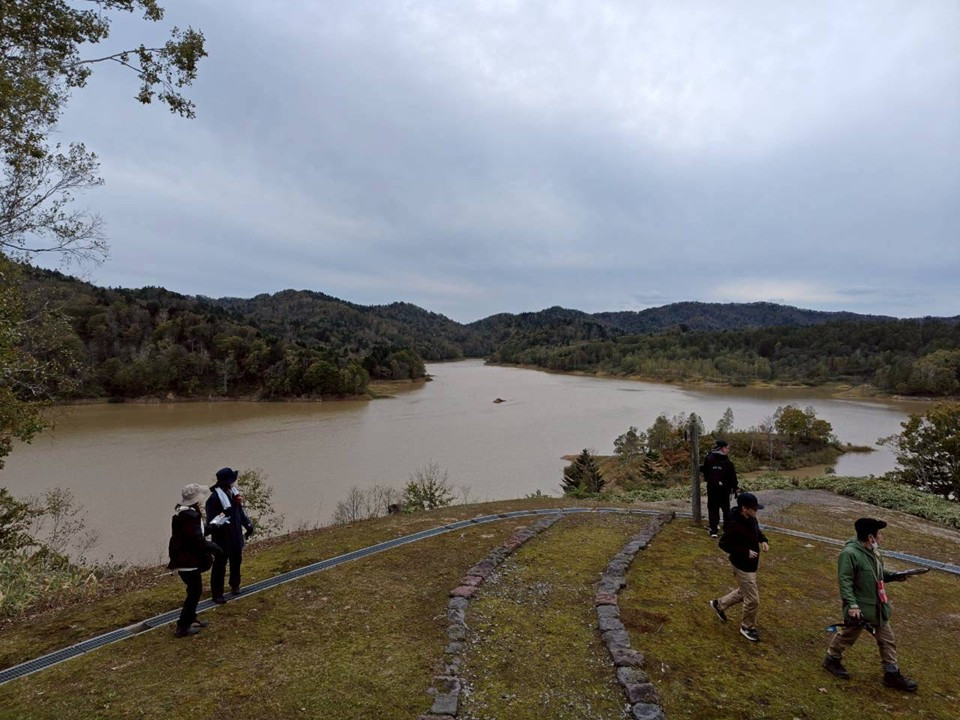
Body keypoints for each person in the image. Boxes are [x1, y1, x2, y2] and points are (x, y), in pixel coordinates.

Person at [822, 518, 918, 691]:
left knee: (887, 640)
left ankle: (892, 674)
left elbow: (878, 575)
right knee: (847, 636)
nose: (882, 537)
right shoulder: (849, 554)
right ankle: (832, 659)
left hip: (879, 607)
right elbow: (845, 581)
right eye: (880, 534)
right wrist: (852, 605)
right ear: (870, 537)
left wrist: (896, 576)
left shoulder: (874, 552)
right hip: (860, 609)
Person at [709, 492, 768, 642]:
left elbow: (757, 532)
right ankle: (747, 627)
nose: (756, 511)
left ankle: (718, 605)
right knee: (753, 599)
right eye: (754, 508)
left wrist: (763, 540)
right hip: (741, 566)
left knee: (744, 592)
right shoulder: (734, 524)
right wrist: (745, 552)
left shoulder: (751, 518)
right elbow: (724, 544)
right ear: (744, 508)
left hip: (751, 565)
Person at [168, 483, 223, 637]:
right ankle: (182, 626)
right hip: (187, 561)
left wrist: (211, 527)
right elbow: (197, 540)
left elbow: (195, 534)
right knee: (194, 592)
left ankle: (191, 619)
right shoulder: (189, 517)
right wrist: (215, 548)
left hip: (185, 559)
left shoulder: (184, 513)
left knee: (193, 590)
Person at [205, 467, 254, 603]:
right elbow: (212, 521)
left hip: (236, 536)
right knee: (220, 566)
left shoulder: (234, 493)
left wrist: (248, 525)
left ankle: (235, 584)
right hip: (222, 538)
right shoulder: (214, 499)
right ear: (226, 482)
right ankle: (217, 593)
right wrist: (223, 522)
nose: (234, 482)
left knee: (236, 561)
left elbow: (240, 513)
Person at [701, 439, 739, 538]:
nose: (728, 450)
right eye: (727, 448)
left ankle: (713, 530)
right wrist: (735, 487)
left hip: (712, 487)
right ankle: (726, 529)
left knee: (713, 508)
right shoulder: (728, 461)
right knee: (726, 509)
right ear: (722, 448)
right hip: (724, 489)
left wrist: (709, 480)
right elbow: (732, 476)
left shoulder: (708, 458)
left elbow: (705, 472)